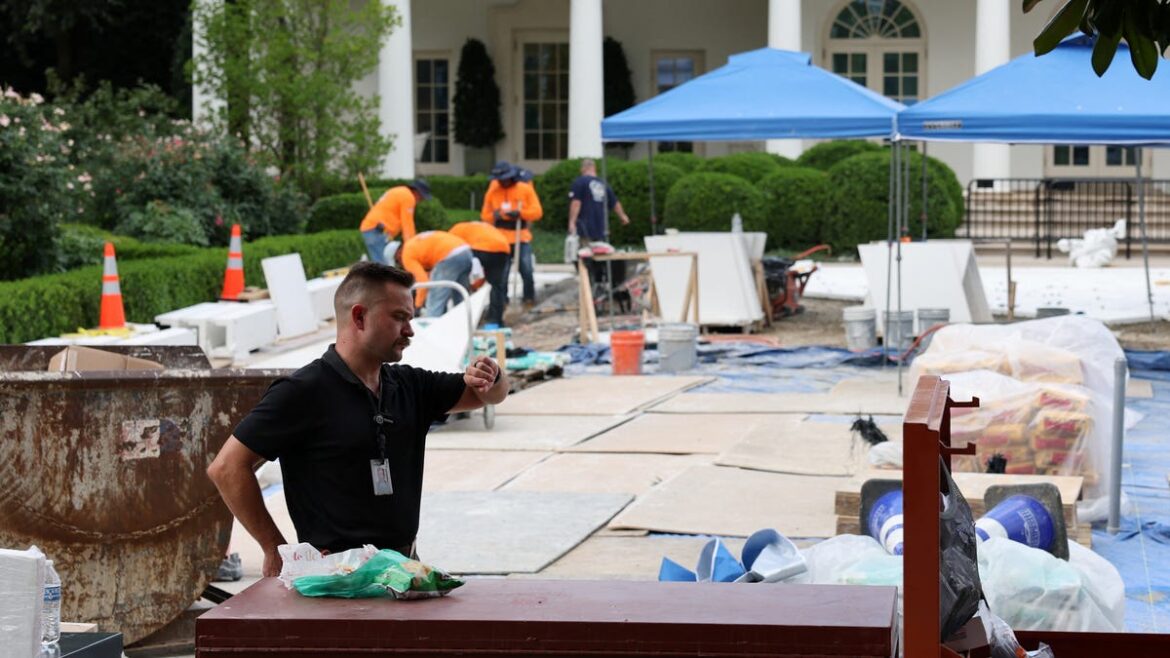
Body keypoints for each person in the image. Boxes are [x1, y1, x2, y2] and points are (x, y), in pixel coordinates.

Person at [206, 261, 508, 576]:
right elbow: (226, 468)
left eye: (410, 318)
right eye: (399, 317)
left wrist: (493, 375)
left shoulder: (410, 385)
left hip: (403, 571)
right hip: (335, 580)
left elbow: (490, 395)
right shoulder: (304, 392)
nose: (410, 331)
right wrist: (274, 547)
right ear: (359, 316)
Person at [481, 161, 542, 308]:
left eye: (505, 179)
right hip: (500, 238)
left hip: (520, 235)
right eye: (500, 179)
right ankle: (503, 301)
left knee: (526, 269)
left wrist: (520, 213)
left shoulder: (524, 189)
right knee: (502, 273)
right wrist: (494, 216)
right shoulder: (493, 190)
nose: (502, 182)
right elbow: (485, 215)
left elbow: (537, 212)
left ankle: (529, 298)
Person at [389, 230, 474, 318]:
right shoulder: (412, 243)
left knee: (434, 302)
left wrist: (417, 306)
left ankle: (433, 328)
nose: (400, 264)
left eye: (397, 262)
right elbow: (428, 271)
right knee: (460, 299)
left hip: (449, 256)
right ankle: (462, 325)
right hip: (465, 251)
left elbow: (423, 282)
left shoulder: (406, 255)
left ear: (398, 254)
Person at [448, 221, 511, 326]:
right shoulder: (481, 227)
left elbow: (455, 254)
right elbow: (484, 272)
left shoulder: (454, 232)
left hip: (479, 247)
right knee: (497, 285)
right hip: (502, 248)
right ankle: (496, 321)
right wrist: (476, 284)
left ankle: (463, 319)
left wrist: (471, 284)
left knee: (461, 280)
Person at [359, 179, 432, 263]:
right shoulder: (408, 197)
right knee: (384, 268)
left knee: (380, 265)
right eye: (422, 197)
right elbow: (407, 225)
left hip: (372, 229)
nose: (420, 201)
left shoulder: (398, 191)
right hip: (377, 231)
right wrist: (412, 247)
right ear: (416, 192)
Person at [568, 158, 629, 244]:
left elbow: (576, 203)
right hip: (601, 229)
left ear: (583, 168)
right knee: (600, 254)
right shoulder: (604, 184)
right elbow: (615, 203)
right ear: (594, 168)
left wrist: (572, 222)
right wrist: (623, 216)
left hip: (584, 228)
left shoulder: (579, 182)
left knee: (585, 254)